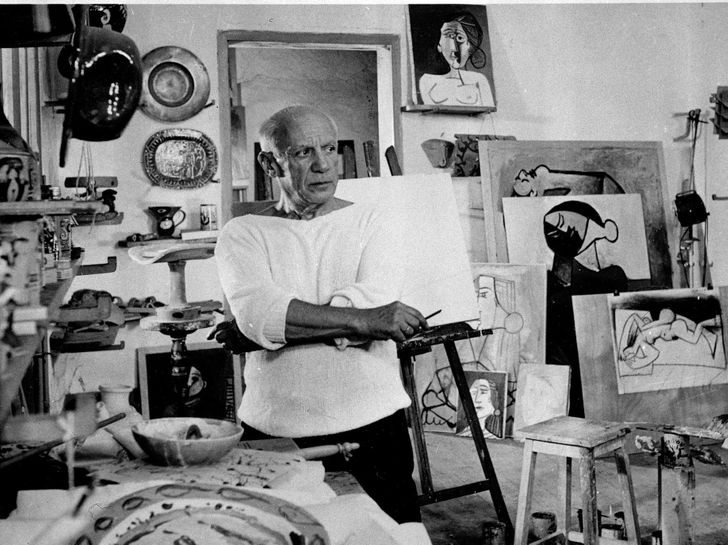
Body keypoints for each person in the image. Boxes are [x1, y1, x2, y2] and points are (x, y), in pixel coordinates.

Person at [213, 105, 429, 523]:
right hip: (276, 426)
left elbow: (265, 322)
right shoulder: (243, 232)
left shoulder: (374, 221)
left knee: (393, 536)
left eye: (330, 149)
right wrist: (365, 321)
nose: (323, 164)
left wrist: (269, 329)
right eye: (302, 152)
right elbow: (262, 313)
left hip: (373, 421)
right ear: (269, 163)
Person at [418, 12, 495, 107]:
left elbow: (489, 112)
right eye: (449, 36)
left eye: (460, 38)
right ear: (439, 45)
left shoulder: (478, 80)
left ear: (471, 47)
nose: (454, 48)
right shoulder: (427, 80)